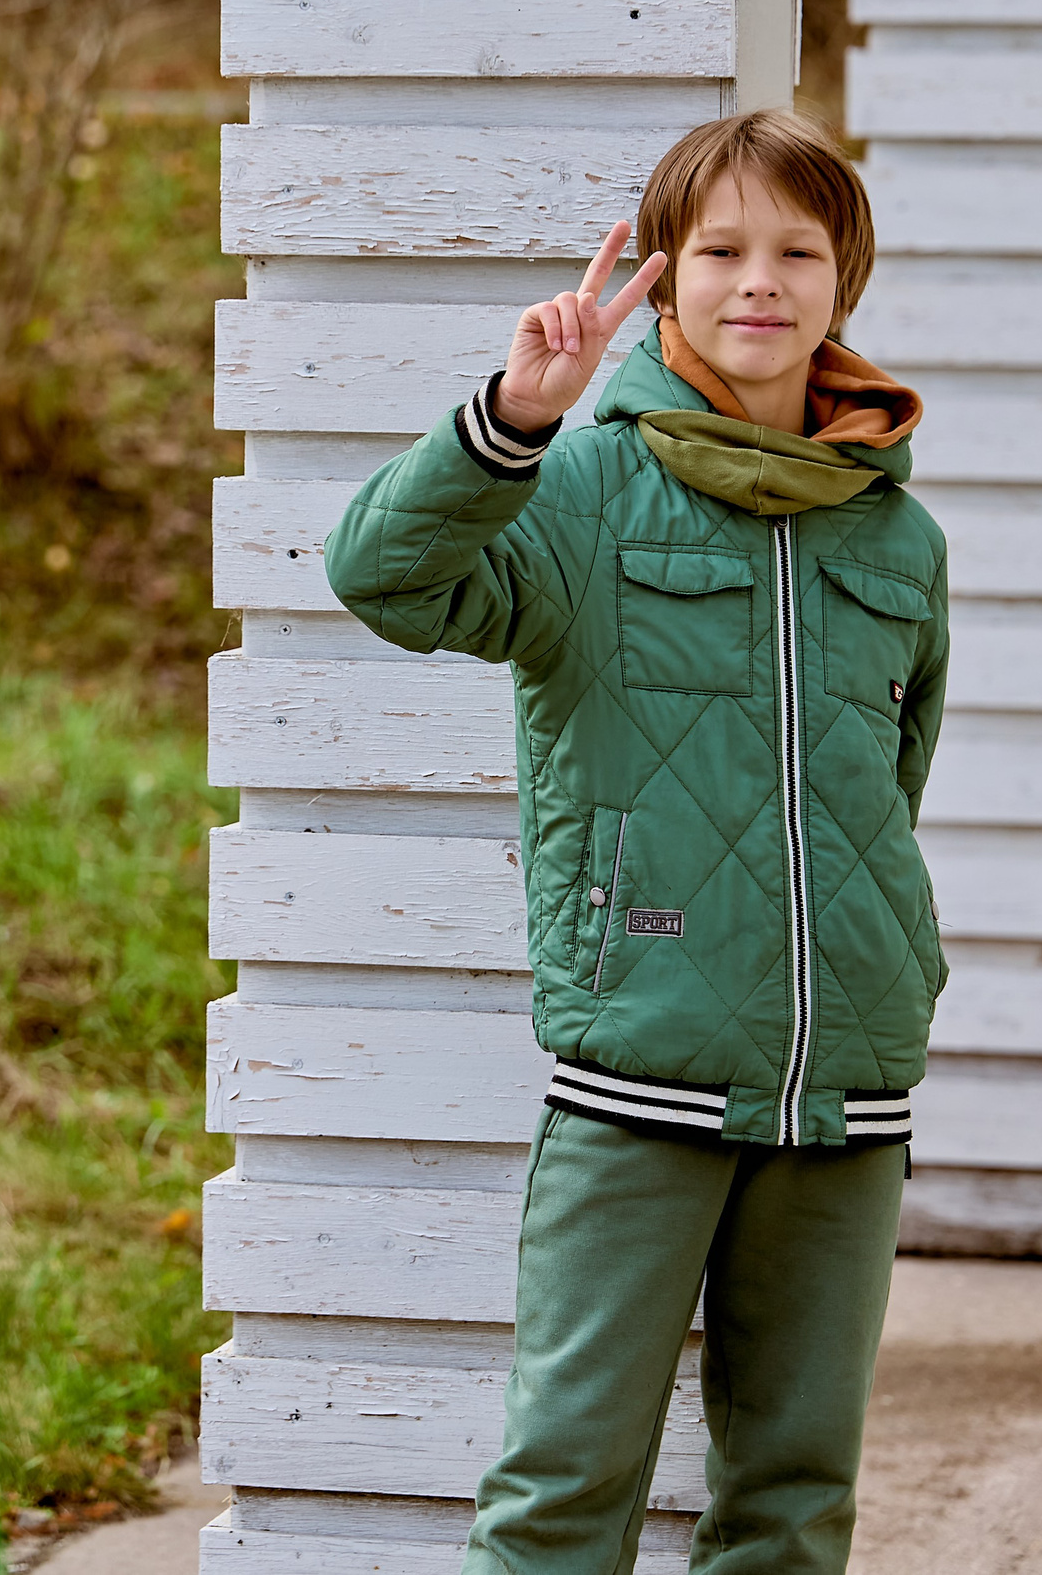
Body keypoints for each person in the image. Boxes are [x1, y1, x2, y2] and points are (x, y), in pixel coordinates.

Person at [325, 109, 948, 1575]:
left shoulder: (897, 538)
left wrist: (890, 968)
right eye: (721, 248)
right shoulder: (586, 488)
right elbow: (382, 577)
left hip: (843, 1090)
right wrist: (514, 419)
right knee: (563, 1498)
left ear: (842, 279)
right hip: (639, 1073)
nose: (760, 283)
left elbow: (894, 782)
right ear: (664, 281)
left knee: (795, 1510)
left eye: (798, 250)